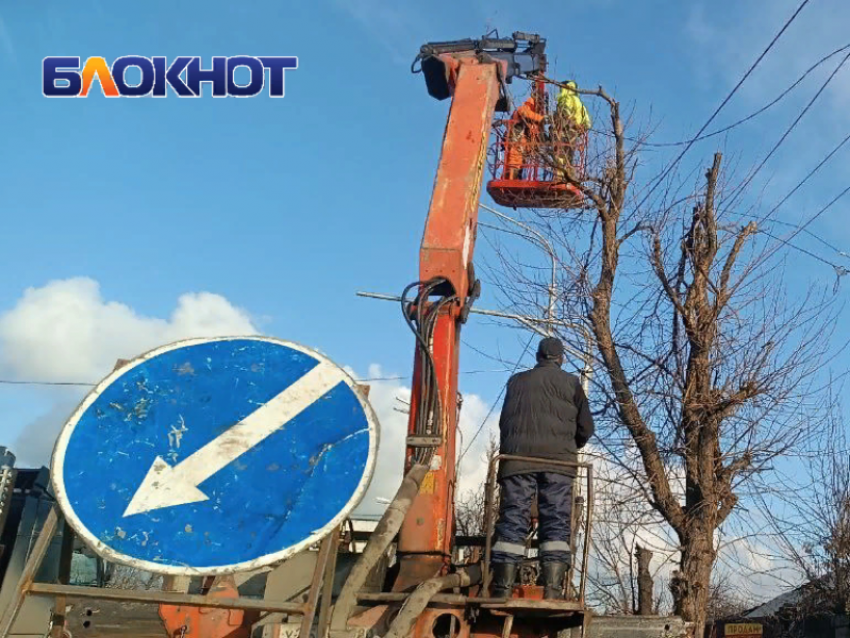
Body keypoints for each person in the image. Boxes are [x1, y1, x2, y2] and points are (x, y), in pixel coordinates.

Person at [489, 336, 595, 600]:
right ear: (561, 359)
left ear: (537, 357)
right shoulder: (572, 383)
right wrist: (569, 446)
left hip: (516, 462)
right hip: (558, 463)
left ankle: (501, 587)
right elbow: (586, 428)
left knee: (513, 516)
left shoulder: (516, 381)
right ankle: (553, 590)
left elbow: (505, 423)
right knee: (557, 519)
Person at [552, 81, 592, 181]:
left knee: (560, 154)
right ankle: (567, 177)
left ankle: (559, 177)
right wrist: (580, 128)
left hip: (565, 131)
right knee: (569, 155)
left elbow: (564, 113)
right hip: (574, 135)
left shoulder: (566, 99)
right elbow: (587, 123)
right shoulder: (580, 104)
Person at [505, 95, 545, 180]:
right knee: (515, 158)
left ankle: (515, 176)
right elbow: (525, 113)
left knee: (519, 161)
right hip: (517, 138)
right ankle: (512, 176)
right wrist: (541, 119)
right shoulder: (523, 109)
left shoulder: (529, 120)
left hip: (520, 140)